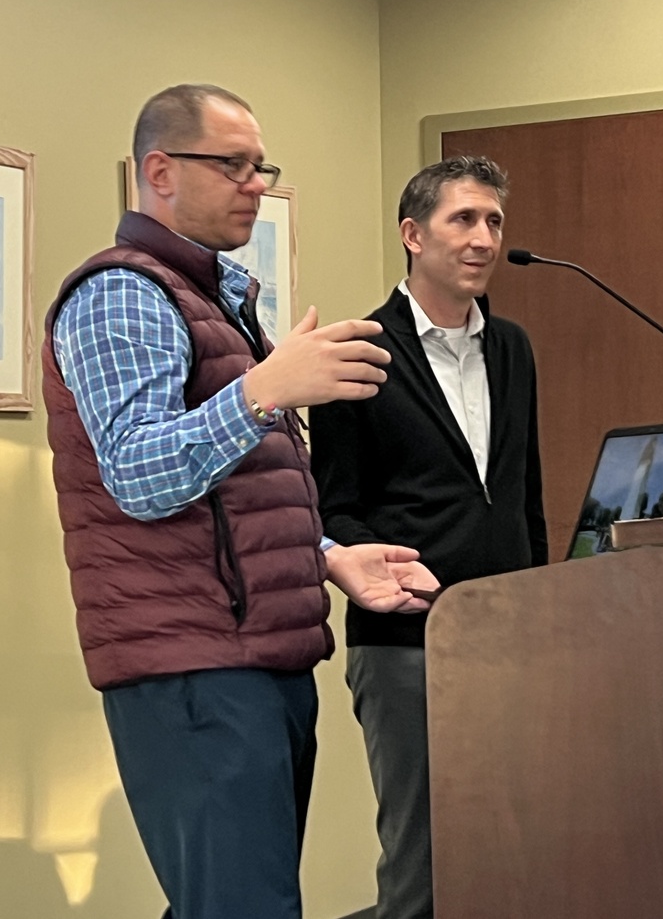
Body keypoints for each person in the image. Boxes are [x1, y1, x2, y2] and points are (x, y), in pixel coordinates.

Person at [42, 83, 436, 919]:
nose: (256, 182)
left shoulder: (214, 298)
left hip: (258, 660)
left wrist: (330, 558)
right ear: (159, 171)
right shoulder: (121, 293)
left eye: (261, 165)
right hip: (191, 667)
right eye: (233, 164)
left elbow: (238, 494)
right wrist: (262, 390)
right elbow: (140, 474)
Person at [309, 155, 548, 919]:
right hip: (404, 644)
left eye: (495, 220)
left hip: (506, 634)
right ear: (413, 235)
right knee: (423, 861)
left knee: (511, 849)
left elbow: (524, 494)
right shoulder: (359, 352)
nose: (484, 237)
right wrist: (380, 570)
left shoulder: (512, 348)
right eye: (464, 219)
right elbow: (330, 508)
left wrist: (541, 606)